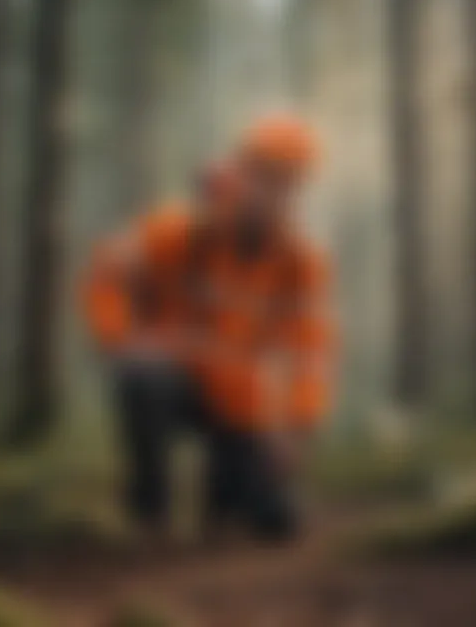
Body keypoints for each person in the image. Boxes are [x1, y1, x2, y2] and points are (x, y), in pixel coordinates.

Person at [81, 115, 336, 542]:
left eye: (287, 183)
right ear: (242, 172)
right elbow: (105, 275)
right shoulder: (178, 230)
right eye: (264, 176)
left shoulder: (300, 262)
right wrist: (119, 338)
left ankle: (226, 503)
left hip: (240, 404)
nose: (271, 193)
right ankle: (149, 510)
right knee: (144, 382)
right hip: (172, 378)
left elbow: (310, 352)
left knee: (267, 518)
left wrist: (297, 428)